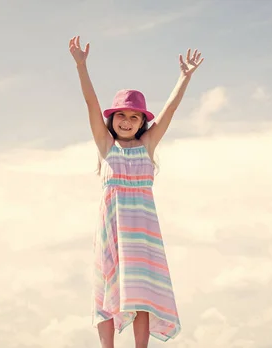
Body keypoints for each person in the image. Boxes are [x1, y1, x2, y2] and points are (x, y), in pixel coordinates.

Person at [68, 35, 204, 348]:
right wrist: (81, 67)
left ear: (142, 121)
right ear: (112, 119)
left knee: (143, 293)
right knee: (106, 288)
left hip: (143, 233)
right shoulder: (106, 147)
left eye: (134, 116)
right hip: (112, 230)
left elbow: (170, 111)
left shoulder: (147, 146)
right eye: (121, 115)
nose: (127, 121)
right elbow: (91, 103)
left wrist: (184, 77)